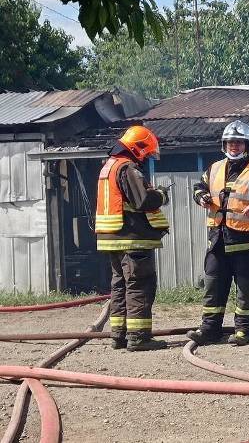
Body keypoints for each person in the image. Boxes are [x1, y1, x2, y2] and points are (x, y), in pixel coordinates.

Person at [186, 120, 249, 347]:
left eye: (239, 143)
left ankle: (243, 331)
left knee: (246, 289)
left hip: (247, 242)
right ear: (224, 144)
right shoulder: (214, 168)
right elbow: (198, 187)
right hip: (217, 240)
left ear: (248, 145)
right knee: (213, 287)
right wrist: (201, 197)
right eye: (230, 142)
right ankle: (209, 331)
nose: (234, 147)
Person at [95, 125, 170, 351]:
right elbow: (143, 201)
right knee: (140, 285)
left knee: (120, 286)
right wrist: (162, 195)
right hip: (132, 238)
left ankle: (119, 335)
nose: (147, 157)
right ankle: (138, 337)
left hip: (113, 239)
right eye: (146, 152)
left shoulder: (109, 167)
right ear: (138, 148)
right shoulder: (128, 168)